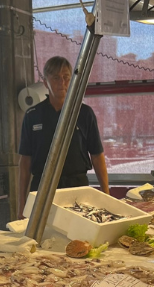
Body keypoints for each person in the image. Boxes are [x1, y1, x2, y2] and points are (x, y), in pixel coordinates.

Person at [17, 56, 110, 219]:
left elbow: (97, 156)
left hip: (77, 187)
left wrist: (107, 196)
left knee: (79, 237)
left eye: (66, 77)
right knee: (40, 238)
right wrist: (21, 205)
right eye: (56, 78)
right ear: (46, 82)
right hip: (42, 187)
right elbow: (25, 161)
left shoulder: (84, 113)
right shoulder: (33, 115)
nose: (62, 82)